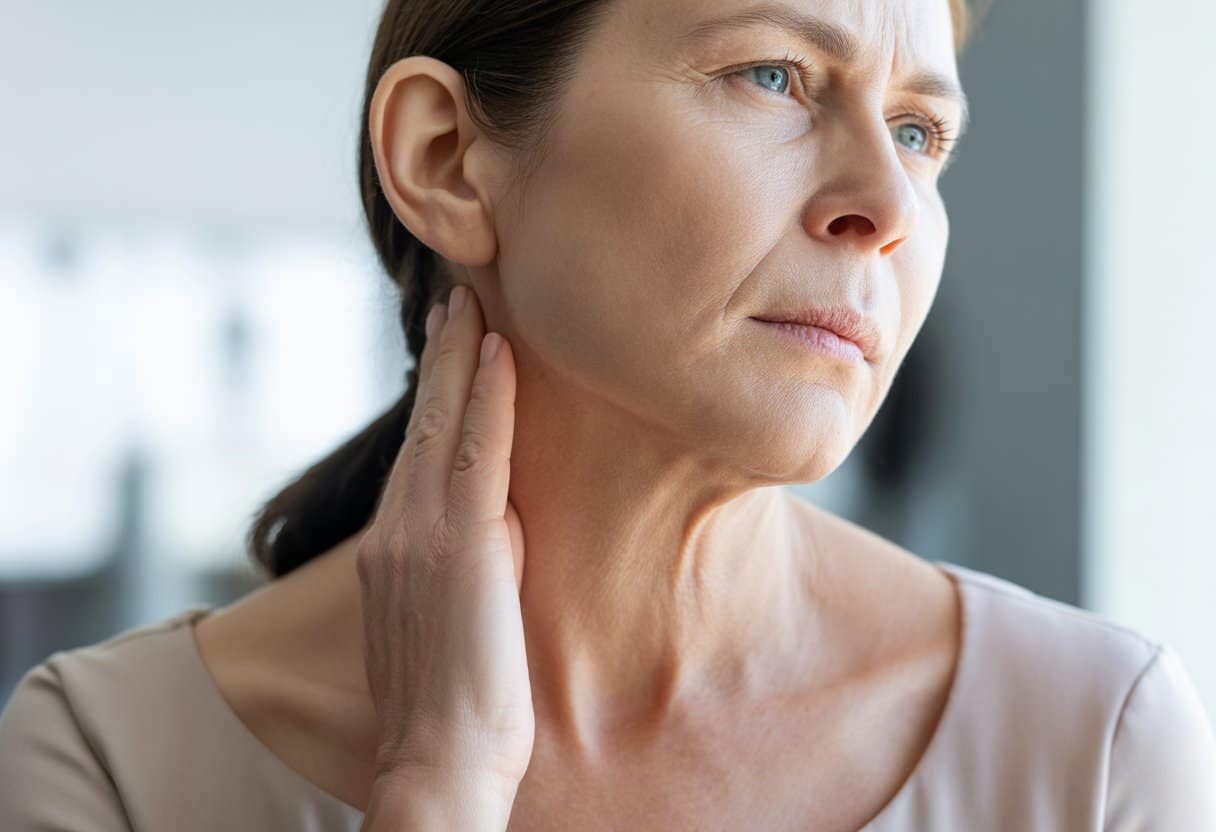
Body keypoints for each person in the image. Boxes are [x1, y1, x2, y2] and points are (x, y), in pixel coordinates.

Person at [3, 0, 1215, 829]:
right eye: (773, 75)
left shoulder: (1091, 746)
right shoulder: (111, 761)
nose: (885, 204)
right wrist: (438, 784)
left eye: (917, 130)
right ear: (444, 157)